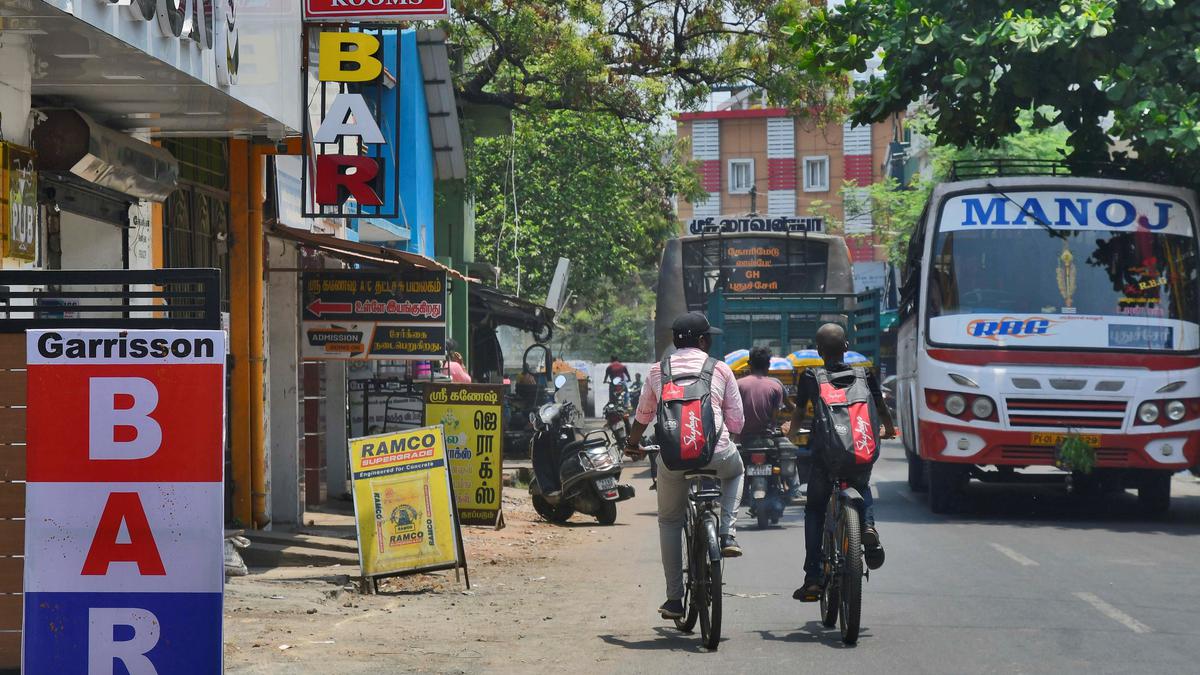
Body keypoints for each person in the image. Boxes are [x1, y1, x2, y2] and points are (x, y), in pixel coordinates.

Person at [623, 312, 746, 620]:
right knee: (736, 471)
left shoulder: (657, 371)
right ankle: (728, 534)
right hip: (715, 453)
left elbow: (643, 416)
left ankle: (674, 599)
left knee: (669, 521)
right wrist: (726, 436)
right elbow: (737, 421)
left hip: (673, 458)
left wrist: (631, 445)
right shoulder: (720, 369)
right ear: (703, 341)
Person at [790, 323, 895, 603]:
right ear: (846, 347)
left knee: (814, 510)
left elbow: (800, 413)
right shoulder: (864, 374)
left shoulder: (811, 376)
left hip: (825, 459)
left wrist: (790, 433)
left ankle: (812, 578)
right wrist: (890, 428)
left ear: (819, 351)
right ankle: (868, 526)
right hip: (859, 454)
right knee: (862, 482)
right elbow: (881, 408)